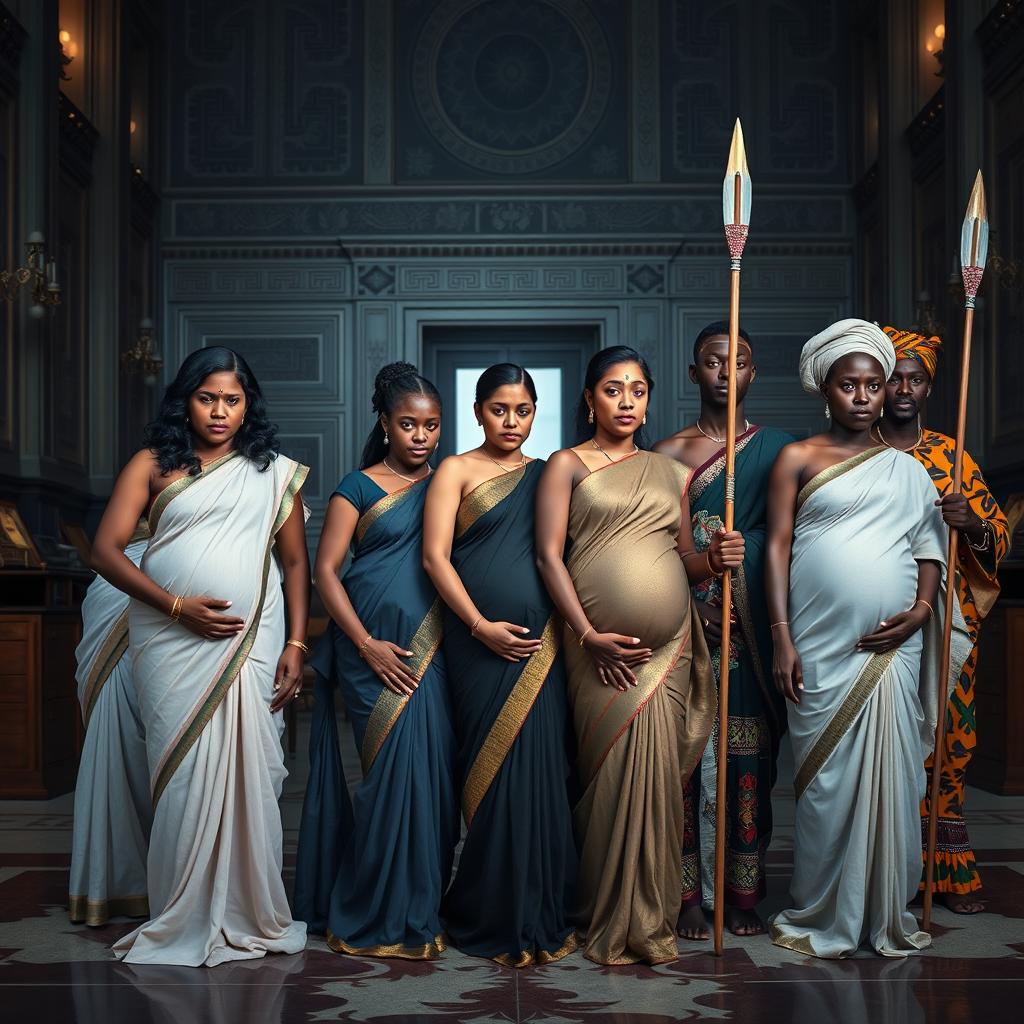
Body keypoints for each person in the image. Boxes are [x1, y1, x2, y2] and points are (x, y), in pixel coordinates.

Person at [90, 347, 309, 966]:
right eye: (206, 398)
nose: (219, 411)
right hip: (168, 640)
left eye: (232, 400)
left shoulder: (273, 473)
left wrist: (296, 642)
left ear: (249, 406)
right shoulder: (153, 465)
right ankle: (179, 912)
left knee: (256, 774)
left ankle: (249, 911)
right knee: (181, 777)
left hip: (252, 645)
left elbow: (294, 562)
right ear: (185, 401)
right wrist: (175, 605)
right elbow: (107, 550)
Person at [766, 319, 971, 958]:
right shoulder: (797, 458)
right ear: (824, 390)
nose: (862, 396)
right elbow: (774, 546)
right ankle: (823, 907)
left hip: (896, 649)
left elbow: (928, 547)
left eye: (874, 385)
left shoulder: (907, 470)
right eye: (848, 385)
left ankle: (882, 906)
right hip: (818, 643)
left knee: (895, 775)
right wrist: (780, 637)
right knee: (824, 782)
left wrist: (920, 610)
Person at [535, 345, 742, 966]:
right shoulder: (565, 465)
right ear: (590, 399)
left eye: (638, 390)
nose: (627, 402)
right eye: (613, 390)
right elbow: (549, 556)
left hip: (669, 651)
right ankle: (604, 909)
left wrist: (717, 559)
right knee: (607, 781)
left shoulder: (668, 472)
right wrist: (586, 634)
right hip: (598, 653)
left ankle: (649, 919)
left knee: (657, 788)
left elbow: (682, 559)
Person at [295, 362, 459, 959]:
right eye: (408, 424)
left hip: (434, 650)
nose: (421, 436)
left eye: (432, 425)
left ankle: (421, 905)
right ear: (385, 424)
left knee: (435, 784)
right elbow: (324, 572)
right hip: (372, 656)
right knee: (390, 781)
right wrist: (365, 644)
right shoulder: (356, 487)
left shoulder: (449, 485)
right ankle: (374, 907)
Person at [422, 364, 577, 966]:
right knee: (487, 771)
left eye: (523, 411)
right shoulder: (455, 470)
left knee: (541, 770)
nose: (511, 422)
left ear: (536, 413)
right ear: (478, 412)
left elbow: (564, 550)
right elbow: (436, 559)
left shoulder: (548, 475)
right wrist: (480, 625)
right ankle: (485, 909)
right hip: (474, 644)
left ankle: (537, 906)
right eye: (499, 410)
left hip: (543, 644)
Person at [655, 321, 791, 939]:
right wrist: (691, 601)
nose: (724, 372)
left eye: (737, 362)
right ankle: (684, 894)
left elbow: (794, 543)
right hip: (687, 634)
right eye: (712, 362)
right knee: (683, 765)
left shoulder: (780, 452)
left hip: (750, 639)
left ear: (751, 373)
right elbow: (649, 553)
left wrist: (749, 547)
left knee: (746, 764)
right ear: (694, 374)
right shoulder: (666, 455)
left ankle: (739, 893)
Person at [878, 327, 1010, 913]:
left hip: (945, 619)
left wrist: (971, 523)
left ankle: (948, 871)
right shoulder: (856, 452)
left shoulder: (950, 456)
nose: (904, 389)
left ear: (930, 387)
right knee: (885, 741)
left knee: (948, 738)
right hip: (877, 617)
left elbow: (999, 539)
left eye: (917, 379)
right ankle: (882, 872)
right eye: (893, 379)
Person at [69, 521, 152, 927]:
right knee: (115, 737)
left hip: (176, 589)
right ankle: (119, 883)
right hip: (120, 590)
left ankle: (174, 877)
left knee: (164, 752)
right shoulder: (147, 471)